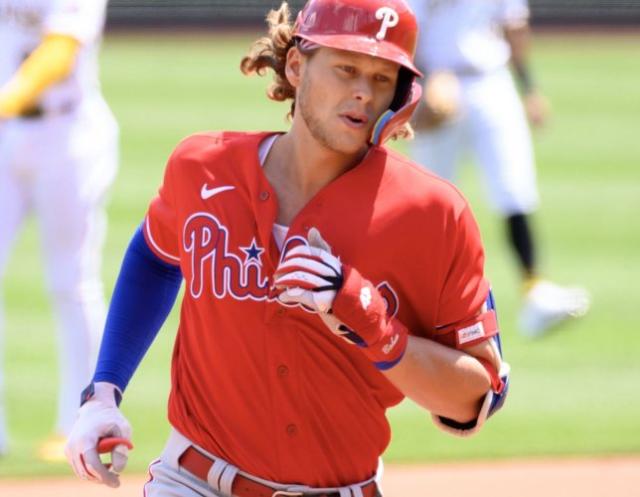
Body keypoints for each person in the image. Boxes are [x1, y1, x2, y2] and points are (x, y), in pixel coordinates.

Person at [64, 0, 510, 494]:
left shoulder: (432, 213)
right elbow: (154, 256)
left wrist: (378, 332)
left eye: (383, 79)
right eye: (346, 68)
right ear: (296, 66)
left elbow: (476, 395)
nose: (363, 92)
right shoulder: (203, 168)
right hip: (191, 481)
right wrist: (102, 392)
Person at [408, 0, 590, 337]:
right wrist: (418, 89)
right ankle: (424, 305)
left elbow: (513, 27)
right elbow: (407, 31)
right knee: (430, 205)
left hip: (491, 81)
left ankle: (534, 290)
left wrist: (530, 89)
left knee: (514, 187)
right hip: (437, 84)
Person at [0, 0, 117, 460]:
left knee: (72, 282)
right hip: (7, 137)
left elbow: (59, 51)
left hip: (68, 136)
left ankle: (78, 423)